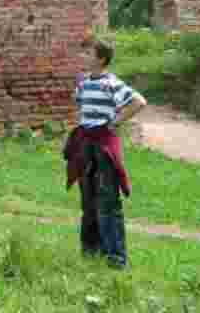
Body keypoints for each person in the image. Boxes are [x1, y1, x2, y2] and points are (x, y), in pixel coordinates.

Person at [63, 32, 147, 269]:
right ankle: (91, 252)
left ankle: (117, 258)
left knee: (108, 201)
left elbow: (139, 101)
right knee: (88, 200)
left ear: (101, 59)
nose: (83, 56)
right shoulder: (83, 82)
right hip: (86, 146)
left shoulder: (112, 83)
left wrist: (115, 121)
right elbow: (80, 105)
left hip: (104, 146)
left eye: (88, 53)